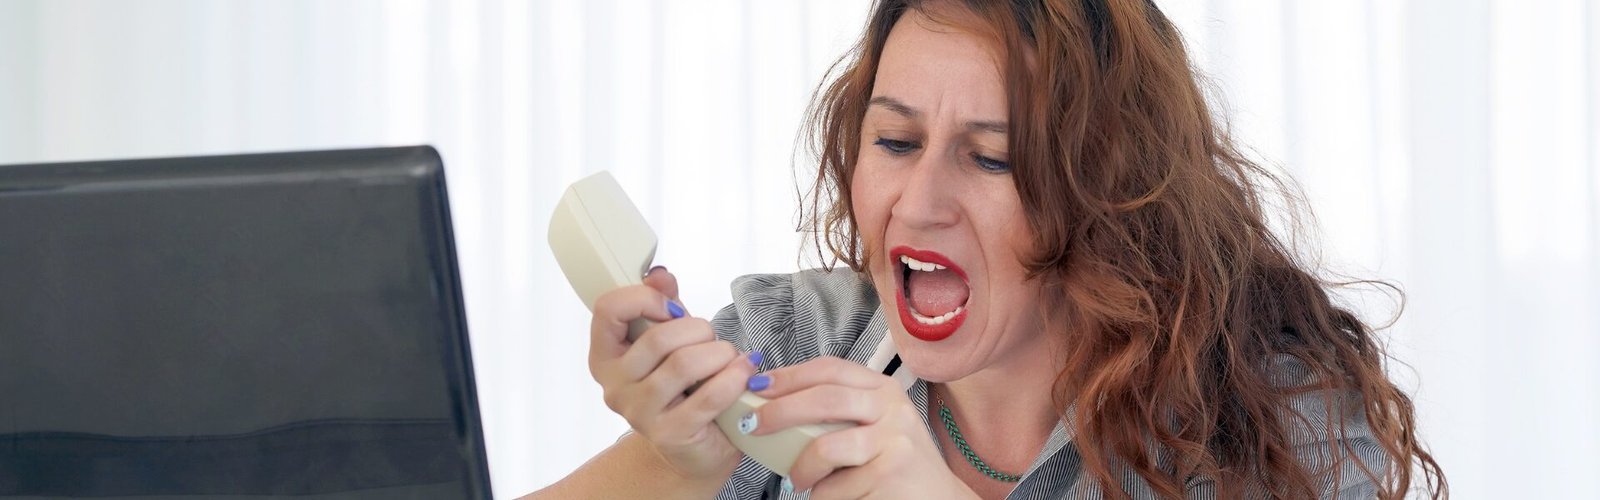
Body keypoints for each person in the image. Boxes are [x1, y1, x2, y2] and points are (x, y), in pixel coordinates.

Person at [529, 0, 1447, 498]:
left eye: (993, 157)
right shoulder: (798, 338)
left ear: (1112, 194)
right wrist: (681, 469)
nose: (919, 204)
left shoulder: (1281, 427)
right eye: (894, 144)